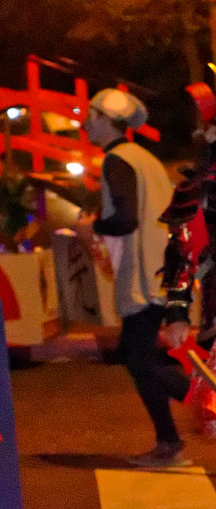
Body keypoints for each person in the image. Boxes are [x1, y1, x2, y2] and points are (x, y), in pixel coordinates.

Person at [83, 88, 192, 466]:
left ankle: (194, 414)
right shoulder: (144, 158)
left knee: (140, 362)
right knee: (141, 360)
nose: (85, 122)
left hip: (144, 277)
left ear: (105, 118)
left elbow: (125, 219)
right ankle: (168, 442)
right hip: (162, 270)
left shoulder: (116, 160)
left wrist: (91, 226)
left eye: (90, 115)